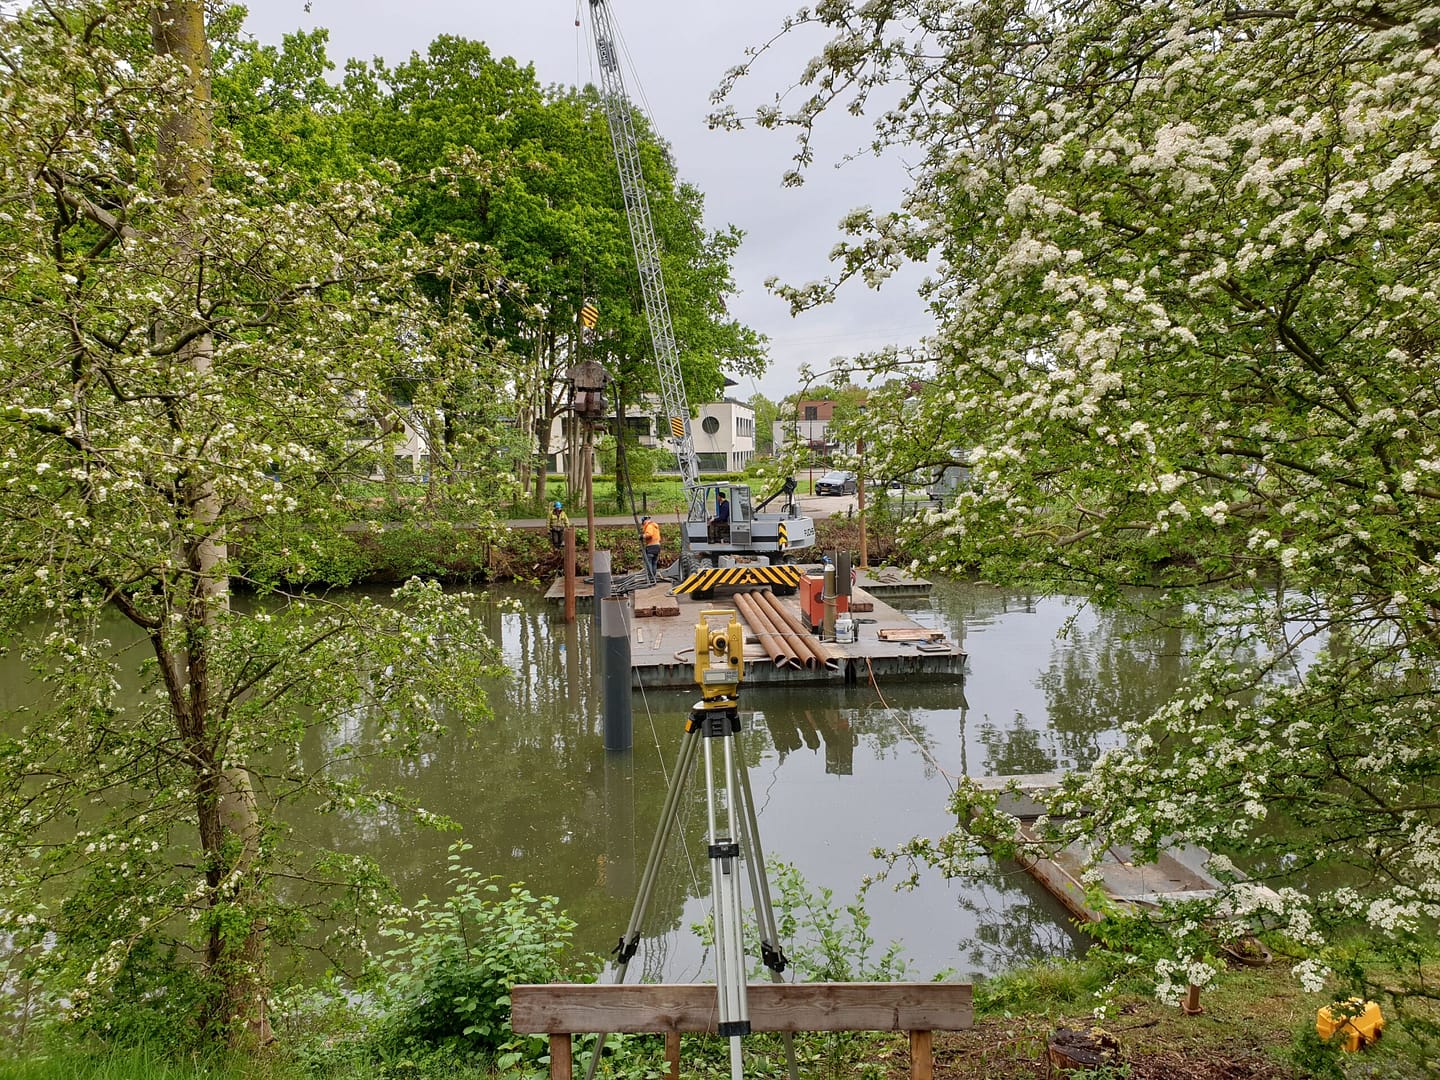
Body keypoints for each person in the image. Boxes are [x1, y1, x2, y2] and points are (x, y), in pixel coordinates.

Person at [641, 515, 662, 579]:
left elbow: (649, 534)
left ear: (644, 521)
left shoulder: (649, 526)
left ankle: (650, 576)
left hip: (651, 547)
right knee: (654, 563)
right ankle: (654, 576)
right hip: (657, 546)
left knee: (649, 562)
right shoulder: (655, 526)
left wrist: (642, 536)